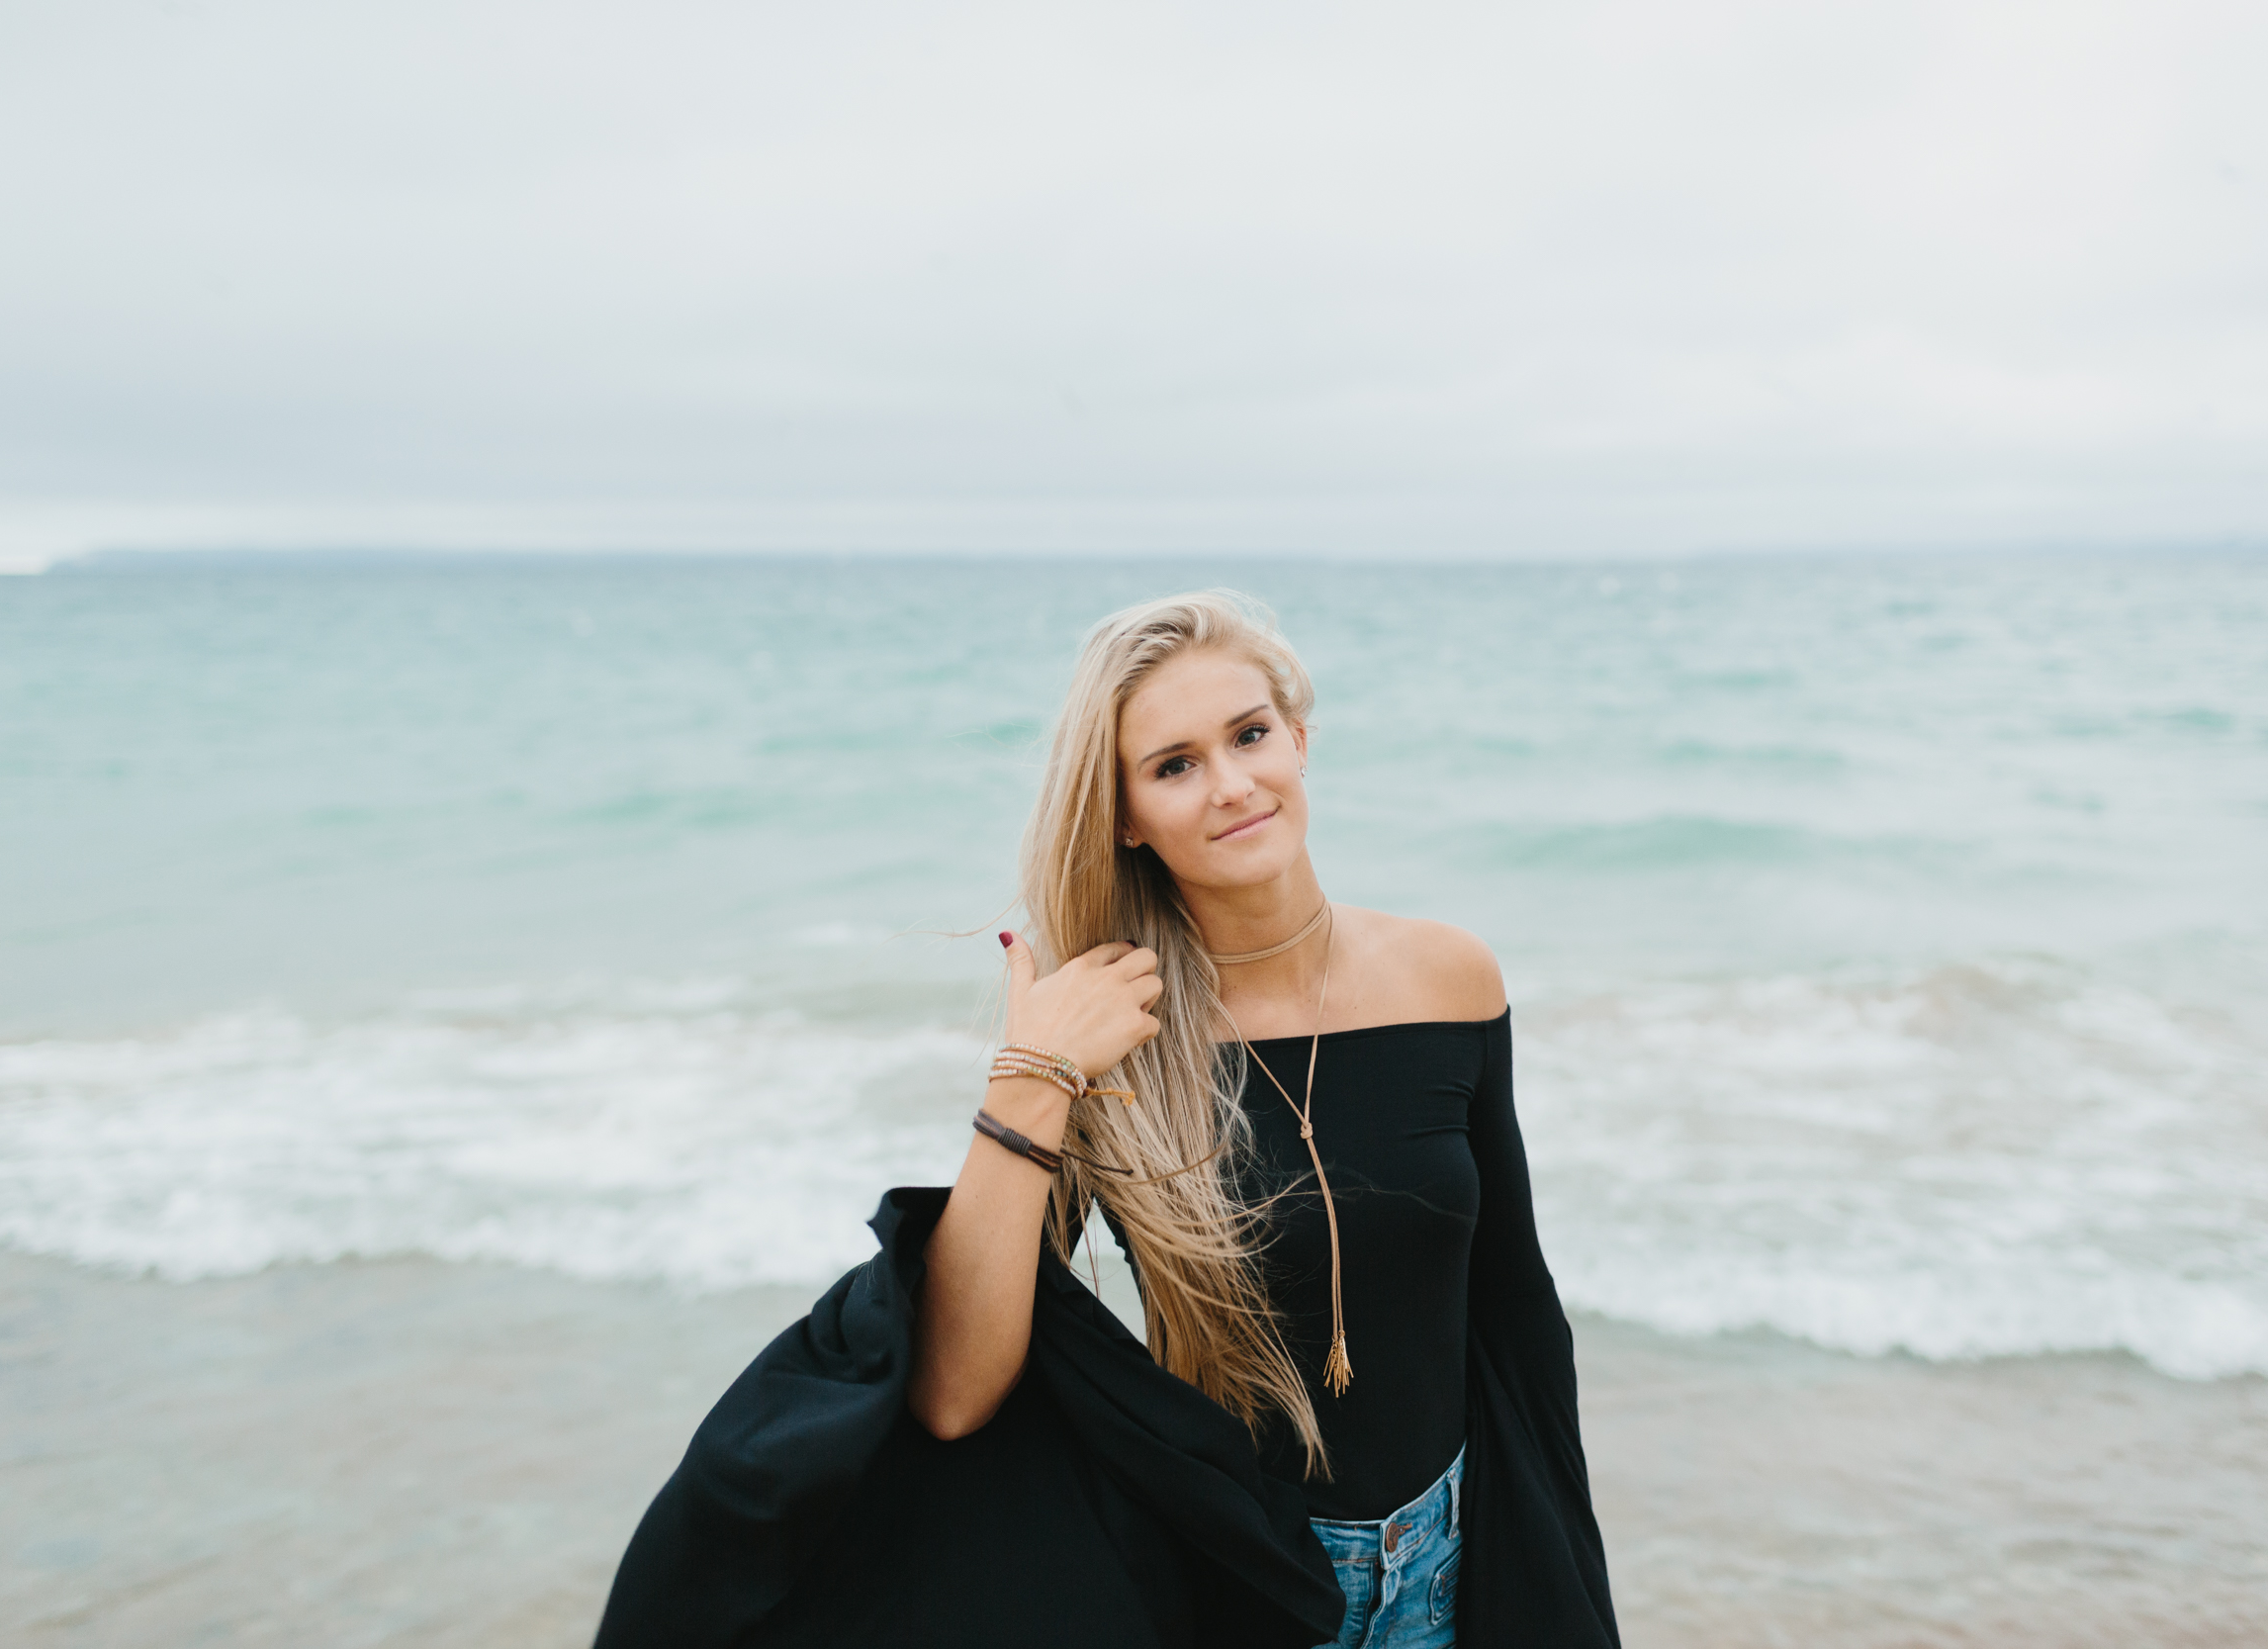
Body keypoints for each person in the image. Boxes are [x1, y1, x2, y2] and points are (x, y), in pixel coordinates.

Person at [595, 593, 1617, 1649]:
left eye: (1249, 734)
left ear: (1299, 740)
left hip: (1455, 1565)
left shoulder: (1447, 974)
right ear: (1125, 811)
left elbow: (1516, 1307)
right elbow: (953, 1389)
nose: (1231, 783)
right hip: (1244, 1585)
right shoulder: (1107, 1028)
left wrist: (1557, 1579)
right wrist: (1031, 1078)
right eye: (1173, 764)